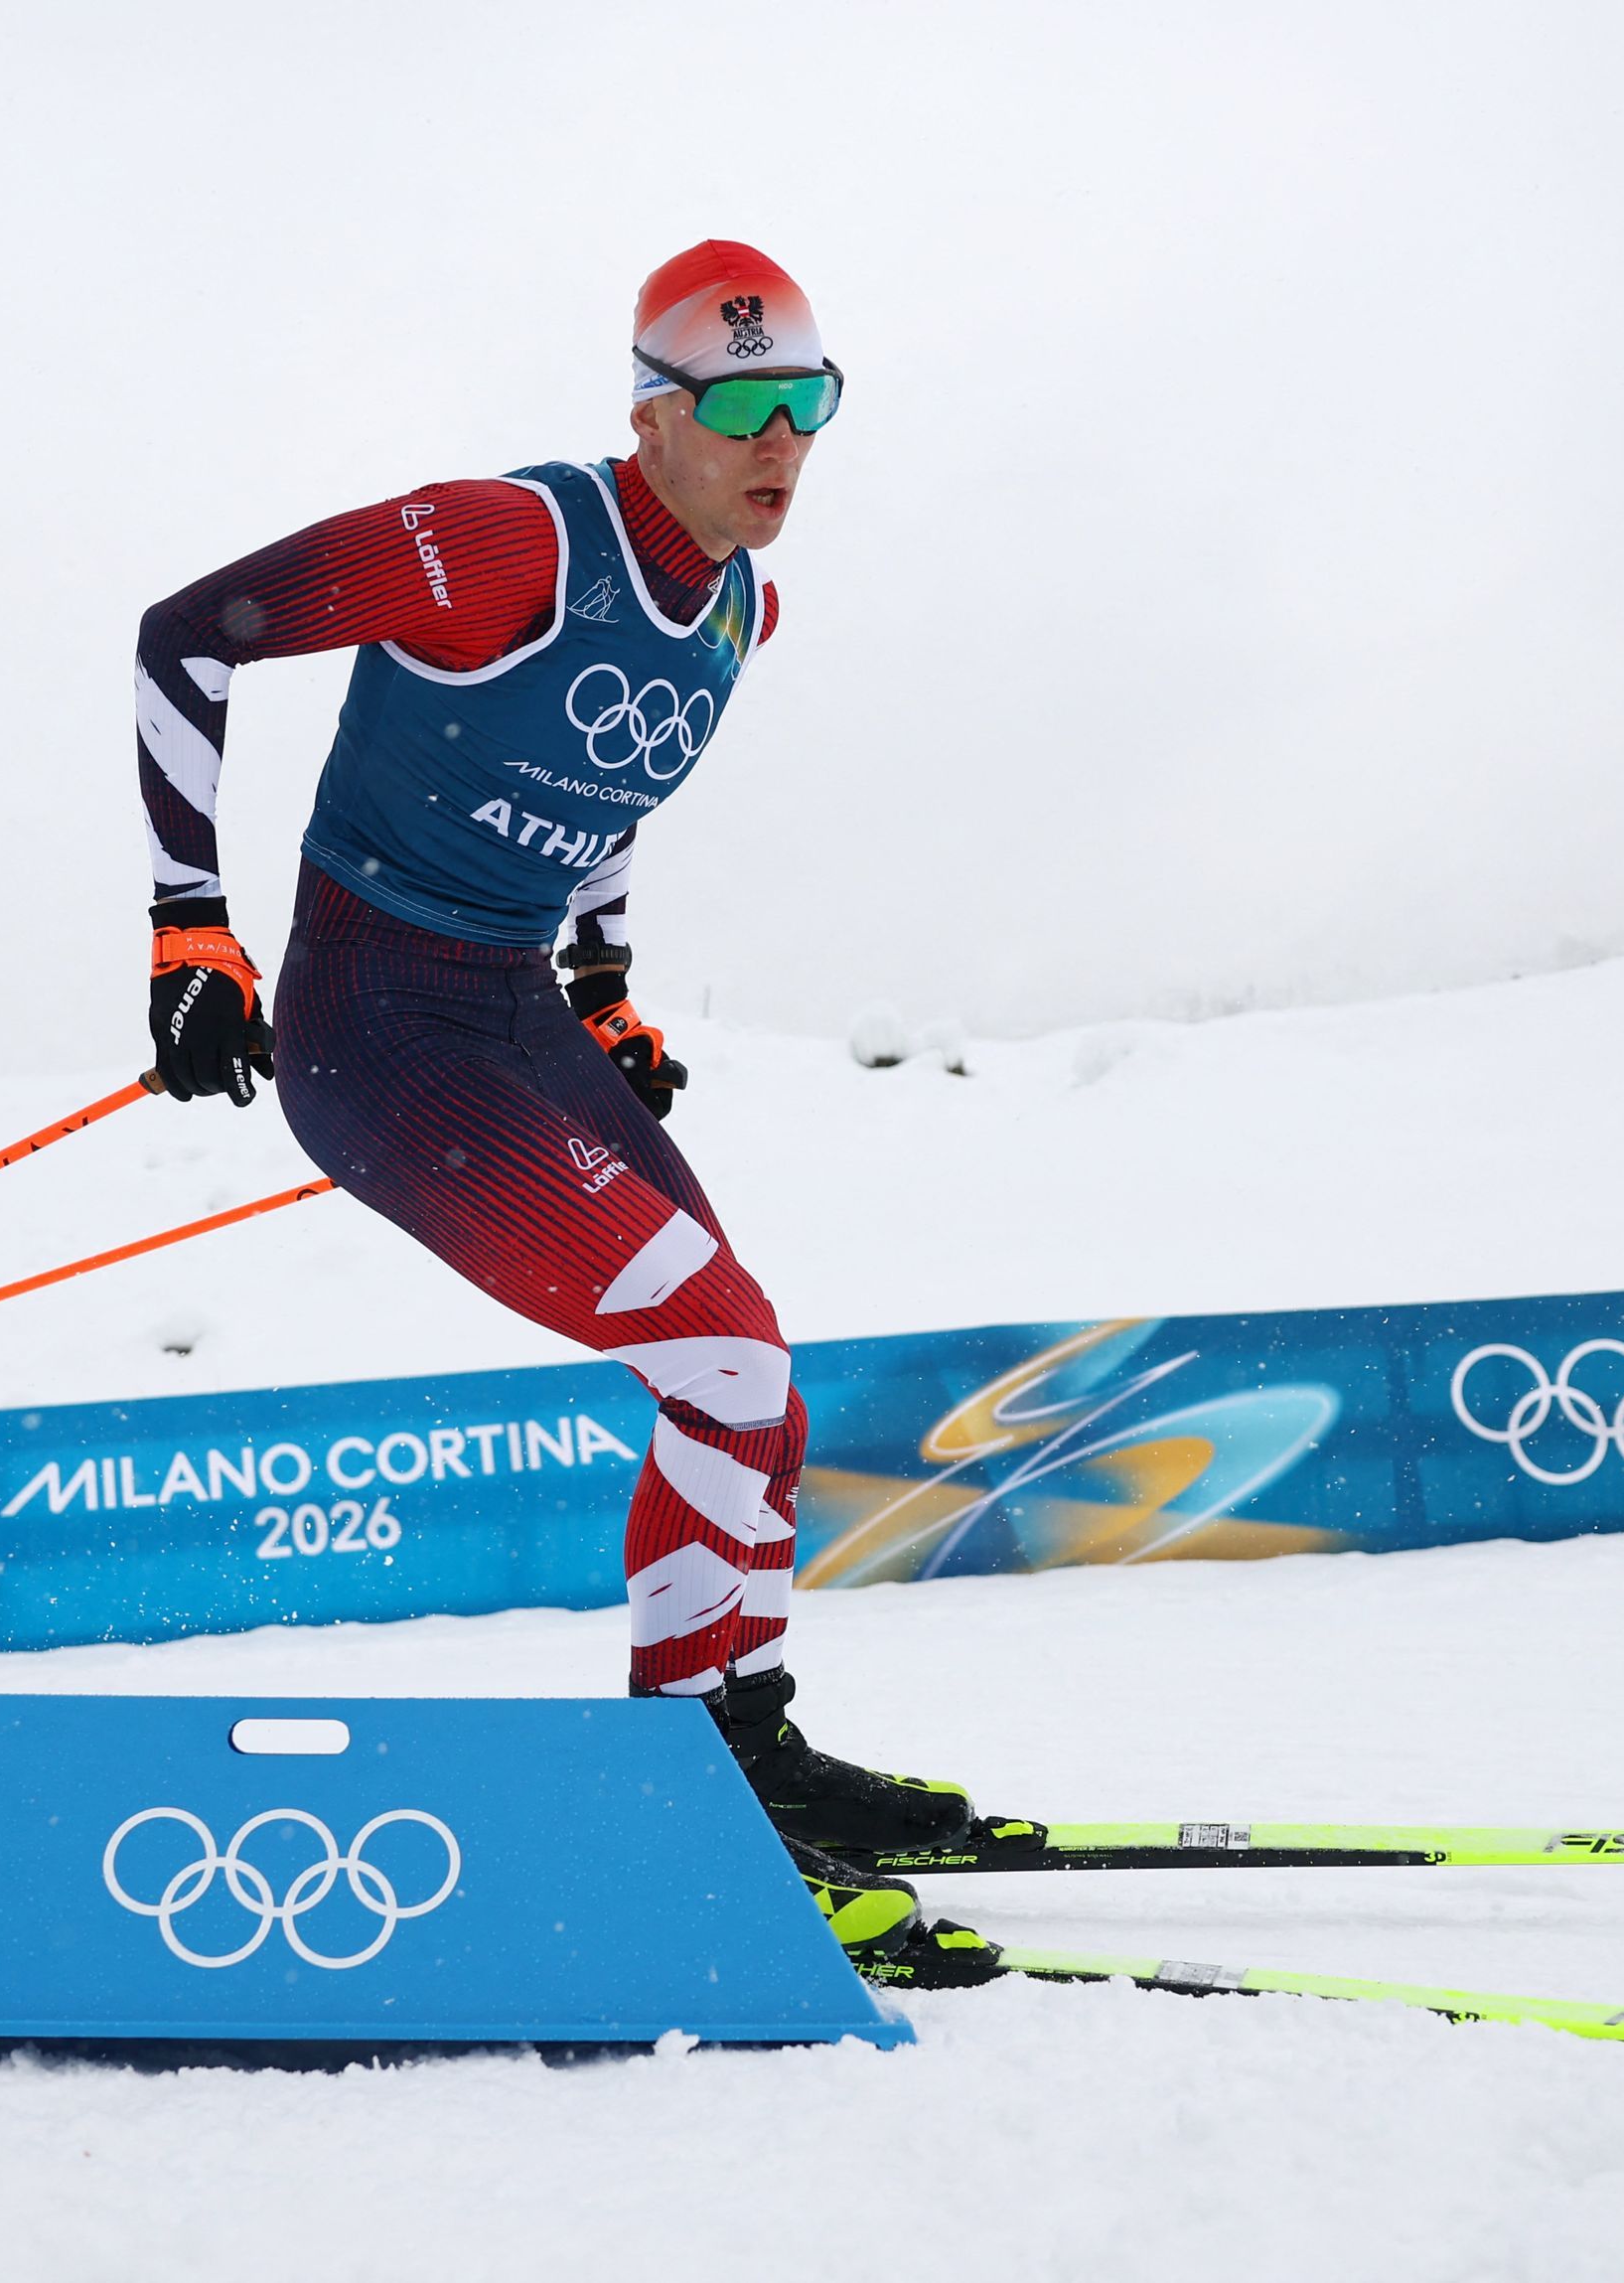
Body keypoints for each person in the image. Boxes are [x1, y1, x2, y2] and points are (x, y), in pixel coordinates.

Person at [127, 242, 1004, 1986]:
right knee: (725, 1359)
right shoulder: (514, 542)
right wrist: (186, 920)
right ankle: (691, 1804)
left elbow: (609, 790)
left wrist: (603, 981)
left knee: (758, 1378)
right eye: (746, 406)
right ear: (654, 416)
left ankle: (747, 1740)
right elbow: (188, 637)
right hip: (382, 1027)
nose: (785, 441)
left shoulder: (744, 607)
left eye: (812, 404)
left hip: (519, 1011)